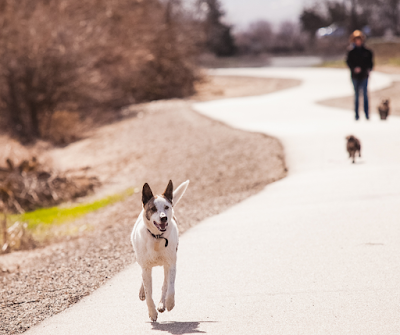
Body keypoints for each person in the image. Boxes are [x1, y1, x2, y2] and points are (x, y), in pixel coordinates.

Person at [346, 30, 374, 120]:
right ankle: (357, 115)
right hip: (355, 76)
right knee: (357, 95)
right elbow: (348, 62)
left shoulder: (367, 51)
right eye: (356, 39)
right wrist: (354, 68)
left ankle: (367, 114)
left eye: (359, 39)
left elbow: (370, 63)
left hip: (364, 75)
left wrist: (368, 69)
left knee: (365, 94)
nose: (358, 41)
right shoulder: (351, 51)